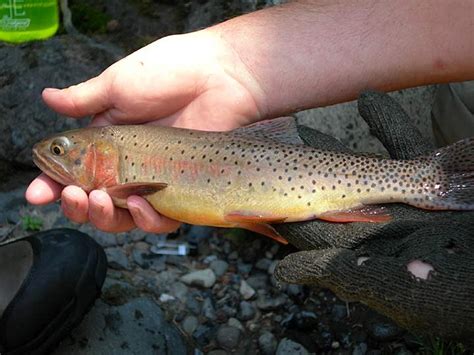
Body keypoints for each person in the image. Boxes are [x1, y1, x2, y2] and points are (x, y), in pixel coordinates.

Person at [7, 0, 472, 350]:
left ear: (102, 158)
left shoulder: (126, 178)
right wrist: (230, 61)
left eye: (62, 151)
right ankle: (427, 181)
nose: (53, 156)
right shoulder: (122, 165)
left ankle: (428, 181)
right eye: (59, 151)